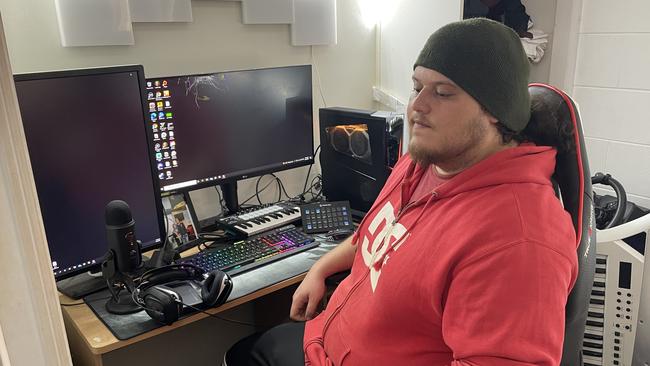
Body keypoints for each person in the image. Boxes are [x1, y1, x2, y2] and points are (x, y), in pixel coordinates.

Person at [225, 18, 577, 366]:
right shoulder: (424, 162)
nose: (417, 106)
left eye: (442, 92)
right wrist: (321, 267)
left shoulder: (521, 240)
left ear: (495, 113)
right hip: (322, 341)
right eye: (416, 86)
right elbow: (375, 236)